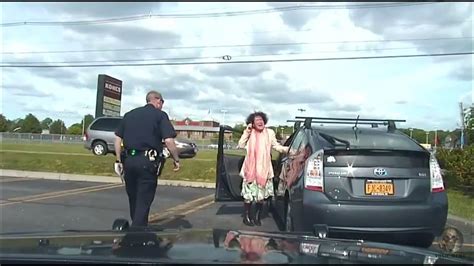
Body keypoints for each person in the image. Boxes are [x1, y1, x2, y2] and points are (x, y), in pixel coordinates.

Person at [113, 90, 181, 227]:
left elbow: (117, 139)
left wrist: (119, 160)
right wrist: (176, 159)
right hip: (147, 162)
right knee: (144, 199)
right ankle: (137, 234)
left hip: (129, 161)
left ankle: (138, 226)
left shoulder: (129, 115)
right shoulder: (160, 115)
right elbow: (168, 140)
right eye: (162, 102)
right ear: (157, 100)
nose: (162, 105)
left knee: (134, 197)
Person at [237, 112, 289, 226]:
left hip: (264, 169)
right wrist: (247, 131)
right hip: (250, 169)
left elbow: (276, 146)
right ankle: (246, 217)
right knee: (248, 197)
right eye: (256, 120)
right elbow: (240, 145)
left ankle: (257, 217)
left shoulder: (270, 133)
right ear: (252, 123)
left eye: (261, 119)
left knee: (261, 197)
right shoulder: (249, 133)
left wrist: (289, 149)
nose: (260, 122)